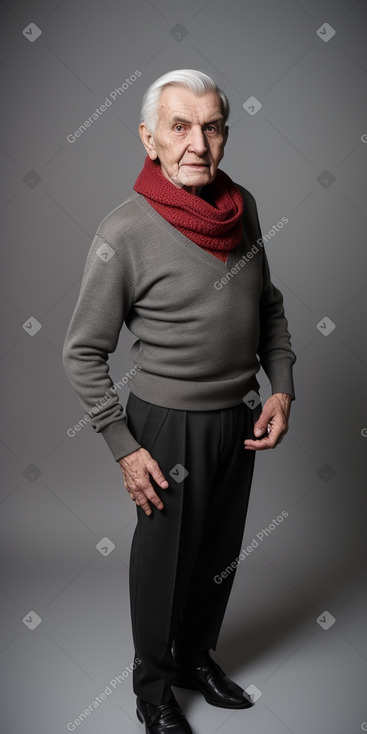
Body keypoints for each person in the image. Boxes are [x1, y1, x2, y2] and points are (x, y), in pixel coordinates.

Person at [62, 69, 296, 734]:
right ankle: (152, 690)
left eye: (211, 126)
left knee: (218, 554)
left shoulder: (241, 205)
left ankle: (196, 659)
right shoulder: (125, 229)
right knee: (164, 564)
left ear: (224, 134)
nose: (197, 142)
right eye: (179, 126)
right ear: (149, 139)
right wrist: (123, 447)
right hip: (165, 426)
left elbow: (267, 307)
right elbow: (80, 351)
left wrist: (280, 387)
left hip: (238, 416)